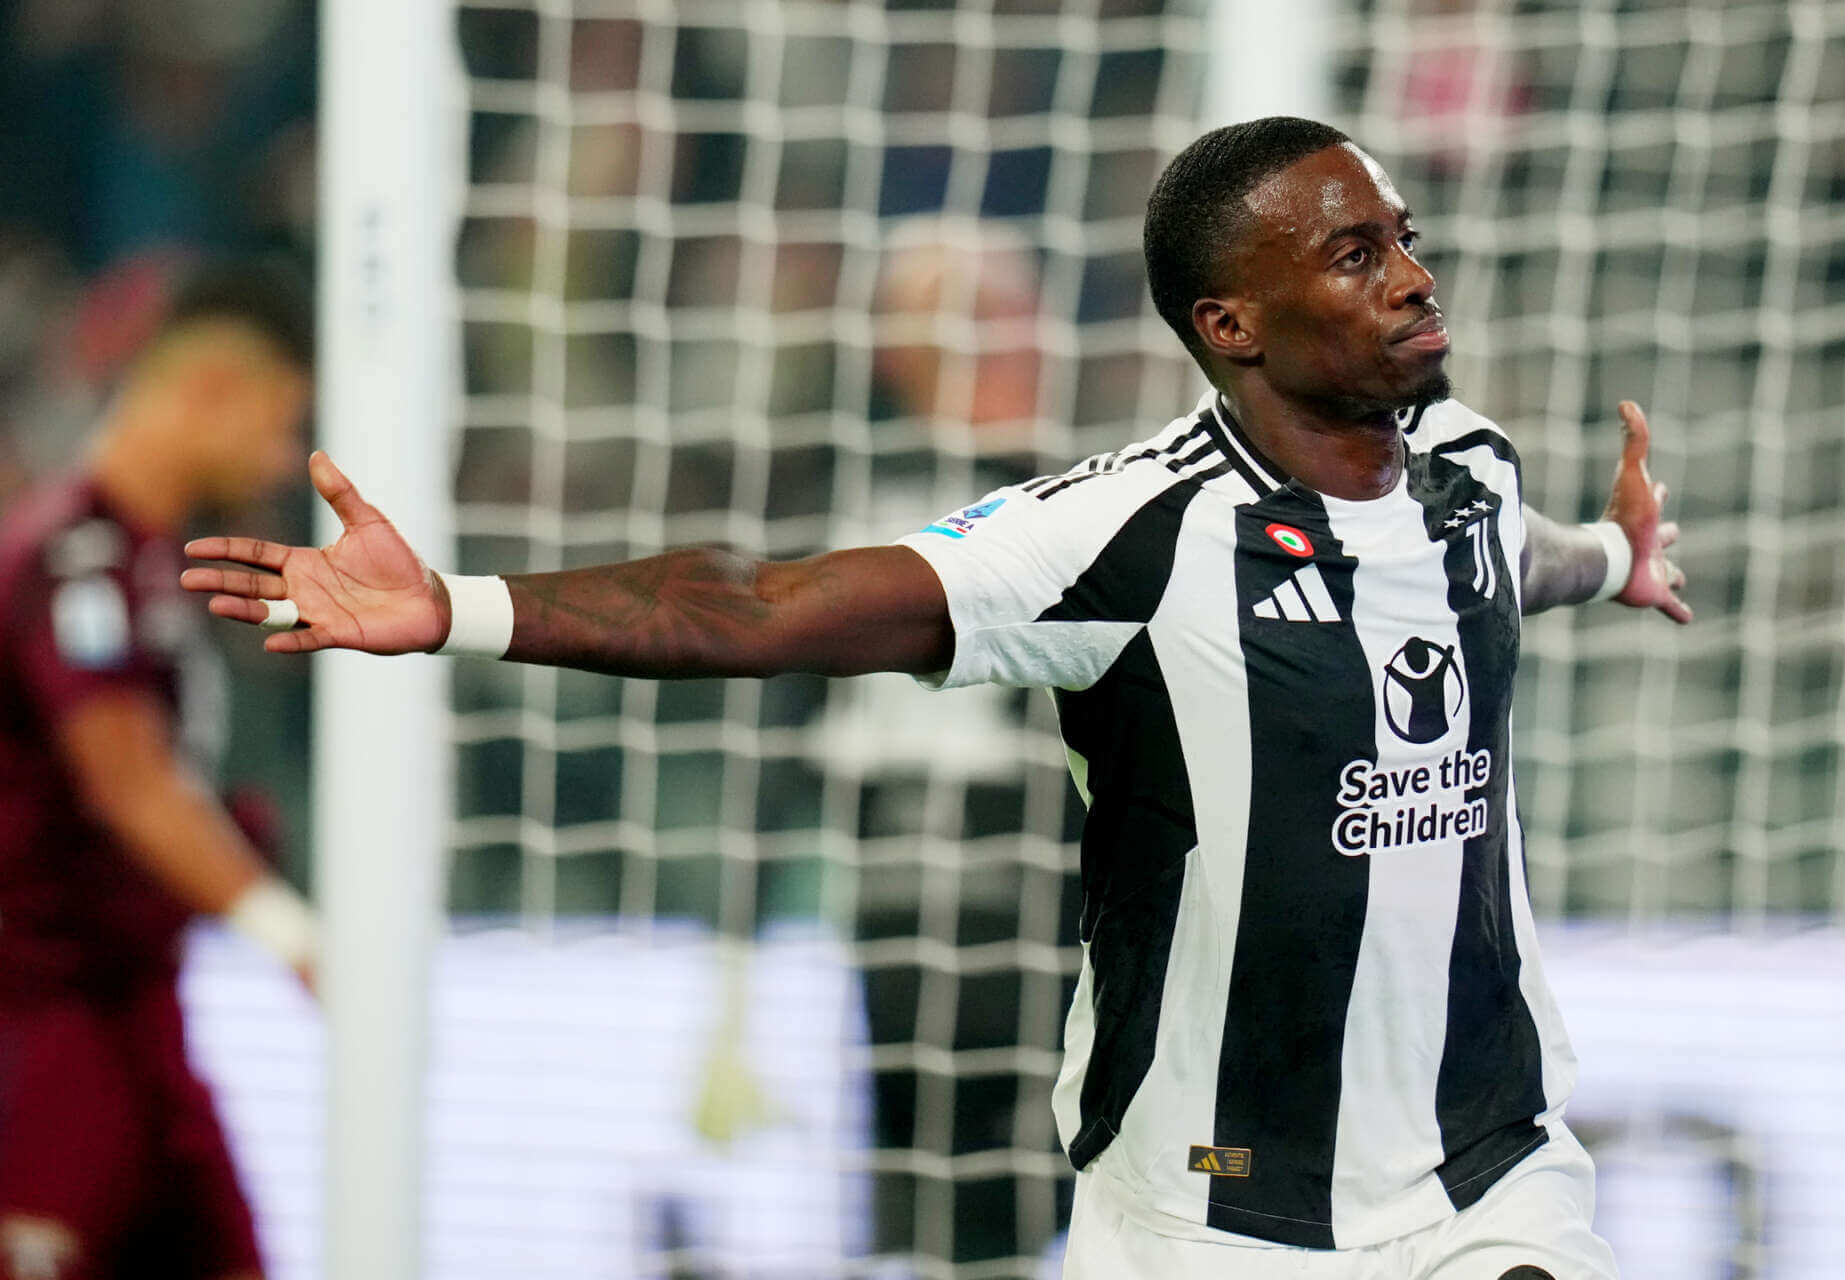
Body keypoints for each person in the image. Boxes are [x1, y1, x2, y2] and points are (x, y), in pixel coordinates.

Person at [184, 118, 1690, 1278]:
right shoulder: (1124, 531)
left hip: (1488, 1170)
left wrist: (1617, 555)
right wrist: (457, 607)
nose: (1415, 279)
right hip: (1213, 1213)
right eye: (1356, 256)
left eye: (1404, 239)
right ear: (1231, 324)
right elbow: (762, 607)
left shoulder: (1471, 469)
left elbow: (1522, 558)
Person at [0, 261, 318, 1280]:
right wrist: (294, 935)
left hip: (141, 1016)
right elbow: (126, 780)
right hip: (43, 1024)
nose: (282, 460)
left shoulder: (151, 567)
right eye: (280, 424)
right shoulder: (71, 558)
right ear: (210, 388)